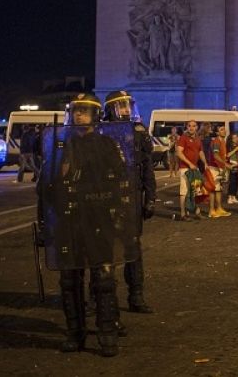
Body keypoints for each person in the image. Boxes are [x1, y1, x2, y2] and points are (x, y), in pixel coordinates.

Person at [38, 93, 137, 357]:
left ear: (95, 115)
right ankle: (75, 333)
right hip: (68, 222)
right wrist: (43, 223)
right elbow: (45, 186)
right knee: (69, 280)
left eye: (85, 111)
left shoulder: (106, 145)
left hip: (98, 219)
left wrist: (118, 216)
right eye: (77, 111)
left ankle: (107, 333)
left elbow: (120, 181)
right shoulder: (61, 146)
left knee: (103, 279)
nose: (80, 115)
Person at [102, 90, 157, 313]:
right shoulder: (101, 132)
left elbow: (147, 169)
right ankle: (101, 298)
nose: (126, 110)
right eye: (121, 106)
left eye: (128, 105)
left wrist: (151, 197)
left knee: (133, 248)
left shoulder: (139, 133)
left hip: (132, 196)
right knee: (103, 250)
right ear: (110, 110)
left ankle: (136, 296)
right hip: (106, 197)